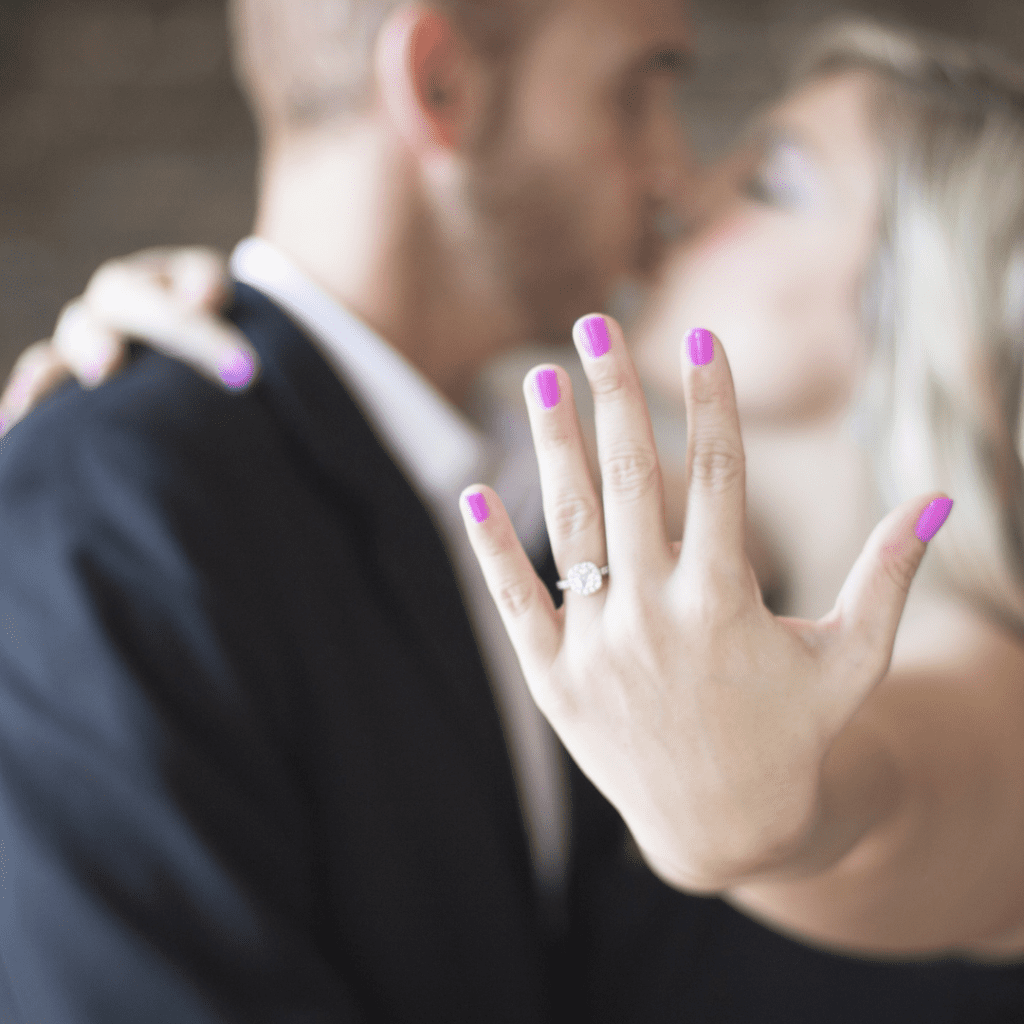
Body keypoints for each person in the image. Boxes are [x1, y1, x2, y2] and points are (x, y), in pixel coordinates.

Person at [2, 8, 1024, 1024]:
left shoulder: (978, 684)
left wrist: (768, 813)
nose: (680, 180)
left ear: (929, 301)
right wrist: (124, 427)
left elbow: (882, 796)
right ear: (438, 86)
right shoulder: (148, 501)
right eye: (634, 91)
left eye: (768, 183)